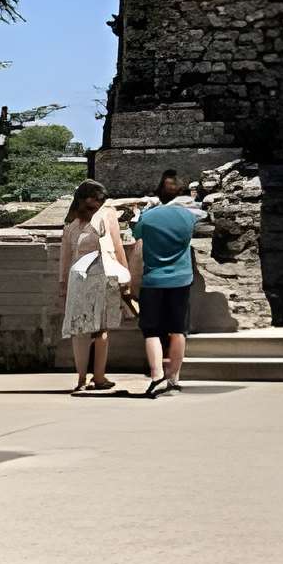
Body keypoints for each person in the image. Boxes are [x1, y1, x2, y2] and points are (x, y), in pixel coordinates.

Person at [124, 168, 205, 397]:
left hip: (153, 280)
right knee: (178, 330)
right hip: (181, 278)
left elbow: (137, 234)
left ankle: (156, 374)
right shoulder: (189, 217)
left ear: (159, 193)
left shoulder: (149, 217)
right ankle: (174, 377)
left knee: (151, 331)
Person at [57, 179, 130, 394]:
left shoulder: (71, 222)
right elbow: (117, 249)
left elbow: (65, 256)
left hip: (77, 278)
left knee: (79, 330)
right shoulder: (107, 217)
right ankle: (99, 376)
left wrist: (62, 283)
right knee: (101, 329)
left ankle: (81, 378)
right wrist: (126, 277)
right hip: (102, 275)